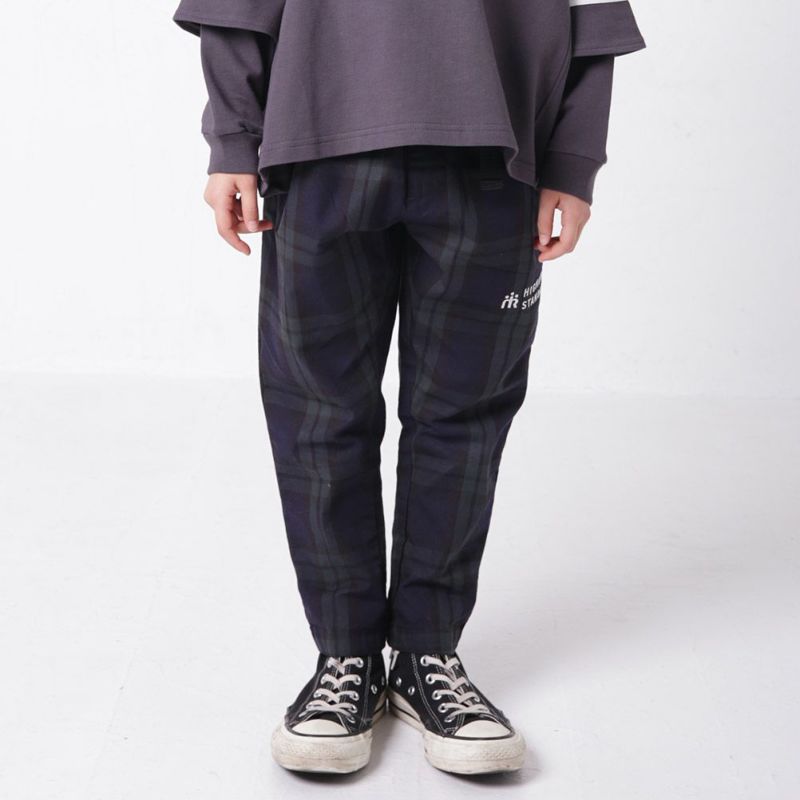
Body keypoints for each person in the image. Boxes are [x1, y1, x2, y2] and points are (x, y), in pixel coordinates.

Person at [172, 0, 645, 776]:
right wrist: (232, 139)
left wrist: (573, 160)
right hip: (319, 143)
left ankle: (428, 655)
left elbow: (590, 8)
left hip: (493, 151)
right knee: (319, 414)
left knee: (463, 416)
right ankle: (346, 657)